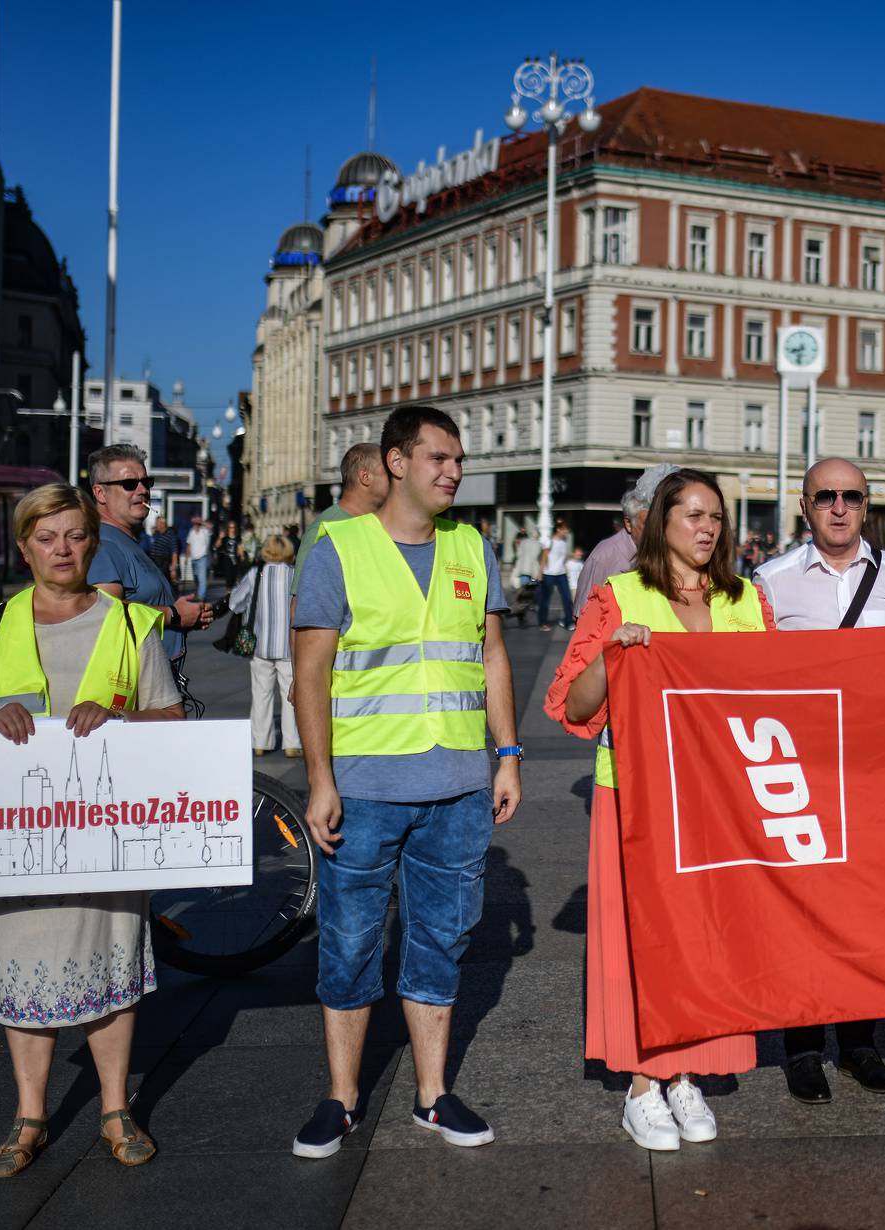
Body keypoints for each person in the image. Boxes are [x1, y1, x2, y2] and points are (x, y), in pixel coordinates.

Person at [289, 405, 520, 1159]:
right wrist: (319, 779)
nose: (454, 471)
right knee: (350, 943)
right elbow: (311, 674)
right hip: (362, 786)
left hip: (456, 783)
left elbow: (490, 656)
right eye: (438, 459)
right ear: (395, 462)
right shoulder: (339, 548)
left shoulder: (470, 546)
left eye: (458, 460)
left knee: (441, 940)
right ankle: (341, 1098)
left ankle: (431, 1096)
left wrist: (507, 753)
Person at [0, 483, 182, 1177]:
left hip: (104, 834)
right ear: (24, 548)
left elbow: (169, 717)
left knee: (108, 962)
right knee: (23, 965)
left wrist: (122, 718)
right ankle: (30, 1115)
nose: (63, 549)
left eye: (75, 535)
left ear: (92, 541)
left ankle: (114, 1108)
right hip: (15, 840)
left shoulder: (132, 625)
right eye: (48, 538)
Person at [545, 469, 773, 1152]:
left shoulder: (746, 599)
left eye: (716, 517)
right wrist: (612, 653)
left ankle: (687, 1072)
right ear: (658, 523)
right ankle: (644, 1085)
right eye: (692, 515)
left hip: (719, 796)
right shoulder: (620, 595)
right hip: (637, 794)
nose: (707, 528)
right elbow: (572, 707)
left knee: (709, 936)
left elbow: (780, 691)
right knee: (639, 936)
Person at [755, 458, 885, 1105]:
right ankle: (802, 1049)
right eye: (825, 496)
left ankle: (860, 1042)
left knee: (866, 910)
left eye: (850, 497)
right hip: (799, 776)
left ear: (866, 505)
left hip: (875, 775)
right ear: (804, 507)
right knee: (800, 913)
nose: (838, 507)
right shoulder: (769, 584)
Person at [86, 446, 212, 668]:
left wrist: (187, 616)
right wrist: (173, 614)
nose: (142, 490)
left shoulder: (128, 541)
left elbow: (142, 605)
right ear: (100, 493)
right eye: (129, 484)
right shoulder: (104, 545)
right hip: (134, 694)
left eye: (146, 482)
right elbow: (105, 615)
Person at [291, 442, 390, 601]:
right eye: (388, 473)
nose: (396, 480)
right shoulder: (325, 528)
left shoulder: (382, 524)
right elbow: (301, 604)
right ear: (365, 477)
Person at [231, 534, 300, 758]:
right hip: (288, 646)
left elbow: (235, 602)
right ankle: (292, 742)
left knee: (261, 693)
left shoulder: (256, 574)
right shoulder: (295, 575)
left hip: (260, 645)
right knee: (290, 695)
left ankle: (261, 741)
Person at [580, 465, 679, 601]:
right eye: (649, 524)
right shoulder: (605, 557)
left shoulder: (668, 552)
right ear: (628, 524)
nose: (657, 531)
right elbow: (584, 613)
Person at [537, 518, 575, 630]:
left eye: (567, 529)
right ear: (558, 529)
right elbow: (544, 557)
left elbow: (563, 558)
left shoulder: (564, 542)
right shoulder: (550, 541)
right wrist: (540, 572)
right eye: (565, 529)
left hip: (561, 573)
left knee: (567, 598)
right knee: (546, 599)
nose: (566, 531)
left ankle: (569, 622)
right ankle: (542, 622)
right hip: (549, 574)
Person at [142, 514, 179, 584]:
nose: (156, 525)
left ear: (162, 524)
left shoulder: (170, 535)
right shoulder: (156, 534)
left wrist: (173, 569)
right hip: (153, 562)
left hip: (163, 563)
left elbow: (174, 552)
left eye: (157, 523)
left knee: (163, 583)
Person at [185, 516, 213, 599]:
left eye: (197, 524)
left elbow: (210, 526)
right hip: (194, 558)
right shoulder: (191, 531)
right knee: (196, 578)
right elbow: (189, 544)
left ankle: (201, 597)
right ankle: (199, 593)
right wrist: (187, 557)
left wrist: (201, 522)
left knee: (202, 579)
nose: (196, 525)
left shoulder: (205, 531)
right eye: (194, 524)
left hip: (202, 557)